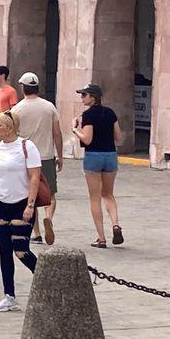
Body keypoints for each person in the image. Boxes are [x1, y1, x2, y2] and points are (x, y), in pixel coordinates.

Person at [0, 110, 43, 312]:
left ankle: (46, 280)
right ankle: (9, 295)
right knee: (4, 251)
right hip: (1, 203)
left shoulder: (27, 147)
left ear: (9, 128)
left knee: (21, 250)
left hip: (22, 203)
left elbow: (35, 176)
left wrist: (30, 205)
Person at [13, 72, 64, 246]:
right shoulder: (49, 107)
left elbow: (13, 135)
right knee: (51, 194)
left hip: (27, 158)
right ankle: (48, 217)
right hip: (47, 155)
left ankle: (37, 234)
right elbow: (57, 133)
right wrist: (60, 155)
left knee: (31, 197)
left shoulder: (17, 109)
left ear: (23, 88)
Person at [72, 83, 125, 250]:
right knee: (108, 194)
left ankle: (101, 238)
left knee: (95, 197)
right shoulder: (110, 113)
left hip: (93, 156)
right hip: (110, 155)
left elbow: (87, 139)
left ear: (92, 97)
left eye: (84, 95)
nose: (81, 98)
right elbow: (119, 137)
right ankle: (116, 224)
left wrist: (74, 129)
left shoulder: (88, 115)